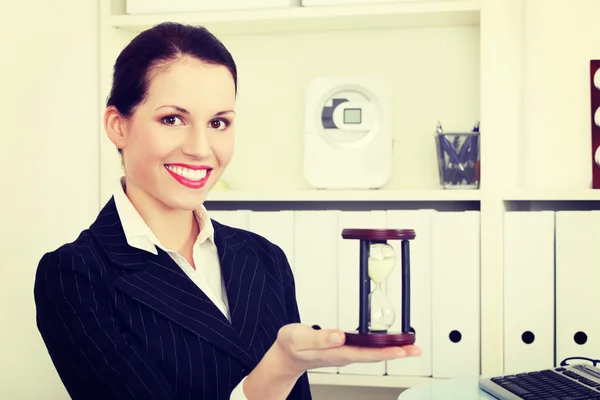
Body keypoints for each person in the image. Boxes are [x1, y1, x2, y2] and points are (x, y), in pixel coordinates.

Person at [33, 22, 421, 400]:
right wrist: (277, 368)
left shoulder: (265, 258)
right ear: (118, 126)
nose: (201, 148)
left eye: (219, 122)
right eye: (173, 119)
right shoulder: (73, 277)